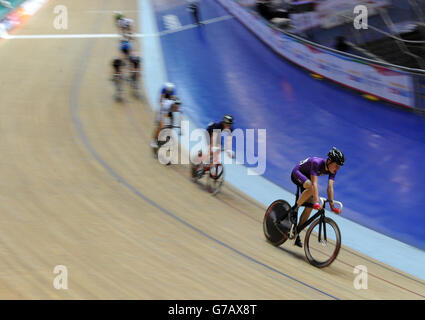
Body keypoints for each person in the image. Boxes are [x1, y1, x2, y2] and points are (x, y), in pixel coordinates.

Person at [279, 147, 344, 248]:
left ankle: (296, 233)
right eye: (336, 166)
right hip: (297, 173)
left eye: (339, 167)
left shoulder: (333, 170)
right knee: (311, 187)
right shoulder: (316, 163)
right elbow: (314, 183)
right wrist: (317, 202)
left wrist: (332, 206)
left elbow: (330, 188)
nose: (337, 169)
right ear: (329, 161)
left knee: (309, 207)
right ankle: (295, 208)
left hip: (307, 179)